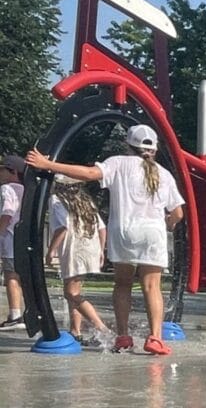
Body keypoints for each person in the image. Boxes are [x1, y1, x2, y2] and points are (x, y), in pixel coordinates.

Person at [27, 124, 185, 355]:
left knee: (122, 284)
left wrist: (49, 165)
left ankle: (122, 336)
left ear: (127, 145)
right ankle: (155, 338)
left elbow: (89, 174)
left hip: (124, 231)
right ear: (154, 149)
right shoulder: (164, 174)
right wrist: (167, 224)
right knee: (152, 286)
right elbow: (178, 213)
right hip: (153, 232)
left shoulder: (118, 163)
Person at [46, 176, 109, 346]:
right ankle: (75, 330)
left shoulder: (56, 200)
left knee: (71, 293)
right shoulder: (86, 201)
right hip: (90, 248)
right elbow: (102, 229)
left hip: (74, 250)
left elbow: (62, 228)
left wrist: (50, 251)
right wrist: (101, 251)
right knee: (74, 292)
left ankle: (101, 328)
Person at [0, 154, 26, 328]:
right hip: (23, 238)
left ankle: (14, 314)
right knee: (20, 276)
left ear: (13, 171)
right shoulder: (27, 189)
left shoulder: (7, 189)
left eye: (2, 170)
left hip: (9, 237)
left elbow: (7, 212)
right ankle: (23, 312)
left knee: (10, 276)